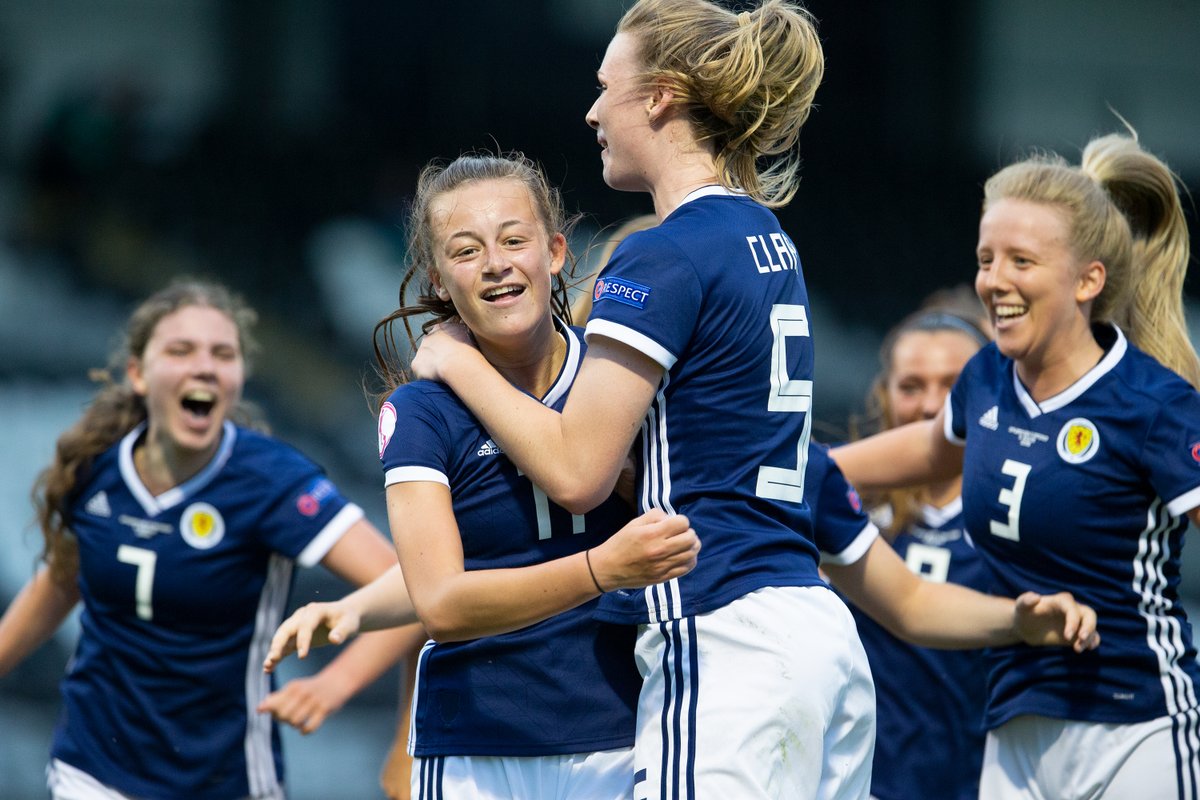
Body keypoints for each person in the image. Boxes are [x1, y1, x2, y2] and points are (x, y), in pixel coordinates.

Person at [405, 6, 1099, 795]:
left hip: (725, 638)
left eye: (605, 88)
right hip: (818, 636)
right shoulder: (769, 239)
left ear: (661, 97)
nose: (592, 111)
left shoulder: (660, 255)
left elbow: (575, 473)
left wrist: (457, 364)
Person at [264, 151, 701, 800]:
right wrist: (599, 570)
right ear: (438, 279)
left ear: (555, 251)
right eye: (465, 251)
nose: (496, 263)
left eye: (514, 240)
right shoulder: (420, 411)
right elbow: (440, 597)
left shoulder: (629, 384)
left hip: (628, 737)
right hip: (473, 750)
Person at [832, 131, 1200, 799]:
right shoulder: (987, 380)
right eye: (986, 258)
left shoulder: (1155, 405)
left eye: (1021, 261)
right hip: (1013, 734)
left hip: (1136, 724)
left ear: (1089, 279)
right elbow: (929, 449)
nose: (994, 281)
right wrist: (799, 467)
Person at [0, 279, 420, 800]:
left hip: (225, 780)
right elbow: (64, 578)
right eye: (181, 350)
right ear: (137, 373)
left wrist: (335, 684)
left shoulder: (270, 481)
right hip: (91, 769)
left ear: (239, 378)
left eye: (223, 354)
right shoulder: (96, 468)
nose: (204, 366)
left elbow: (416, 588)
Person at [843, 287, 994, 800]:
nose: (931, 404)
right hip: (870, 785)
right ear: (883, 395)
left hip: (994, 782)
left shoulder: (1022, 514)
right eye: (911, 386)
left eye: (953, 385)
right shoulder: (843, 510)